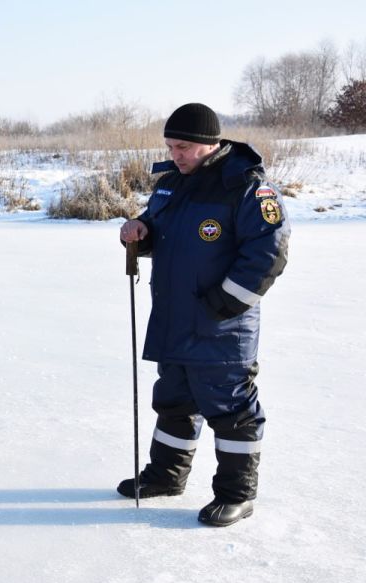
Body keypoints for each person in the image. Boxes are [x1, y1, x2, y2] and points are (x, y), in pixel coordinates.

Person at [118, 103, 290, 526]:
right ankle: (165, 476)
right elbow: (161, 229)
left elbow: (269, 252)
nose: (175, 154)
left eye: (184, 147)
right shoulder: (174, 183)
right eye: (171, 146)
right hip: (175, 319)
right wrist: (140, 231)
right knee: (174, 401)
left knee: (231, 410)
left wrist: (224, 305)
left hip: (222, 328)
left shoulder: (247, 186)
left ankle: (237, 495)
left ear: (210, 144)